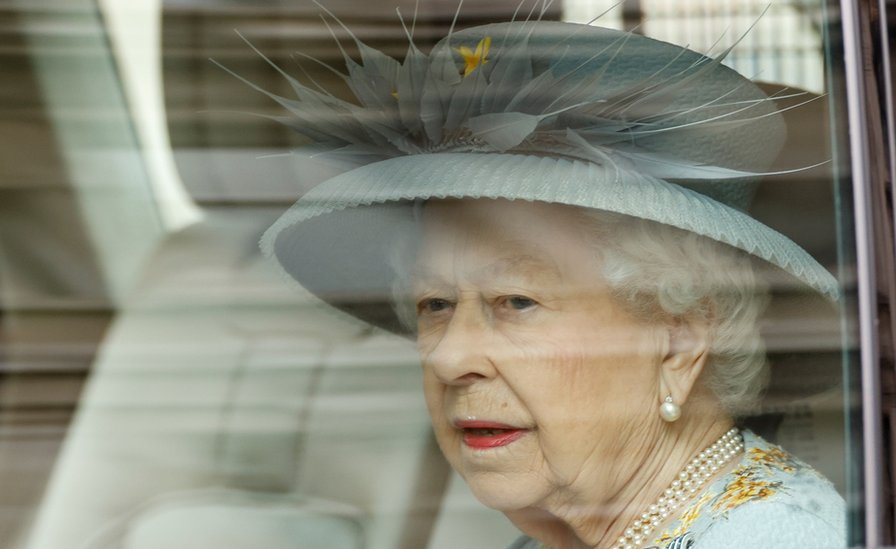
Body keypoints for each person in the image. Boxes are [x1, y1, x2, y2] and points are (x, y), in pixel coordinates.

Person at [240, 8, 846, 549]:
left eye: (516, 301)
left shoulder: (772, 535)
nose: (450, 359)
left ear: (679, 340)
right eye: (435, 304)